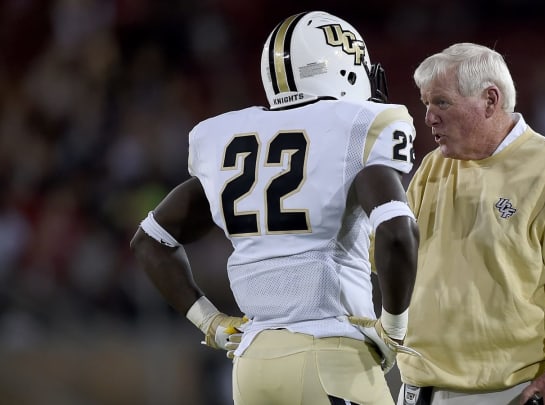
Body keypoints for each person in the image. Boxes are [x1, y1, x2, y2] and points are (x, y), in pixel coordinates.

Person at [130, 11, 420, 405]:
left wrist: (209, 322)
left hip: (251, 363)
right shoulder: (360, 125)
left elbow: (150, 240)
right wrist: (395, 328)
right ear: (344, 69)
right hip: (331, 357)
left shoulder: (227, 136)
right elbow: (398, 234)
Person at [395, 43, 545, 405]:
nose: (429, 118)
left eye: (441, 102)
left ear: (489, 99)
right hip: (419, 388)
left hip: (511, 392)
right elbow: (388, 257)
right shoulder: (433, 167)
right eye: (426, 105)